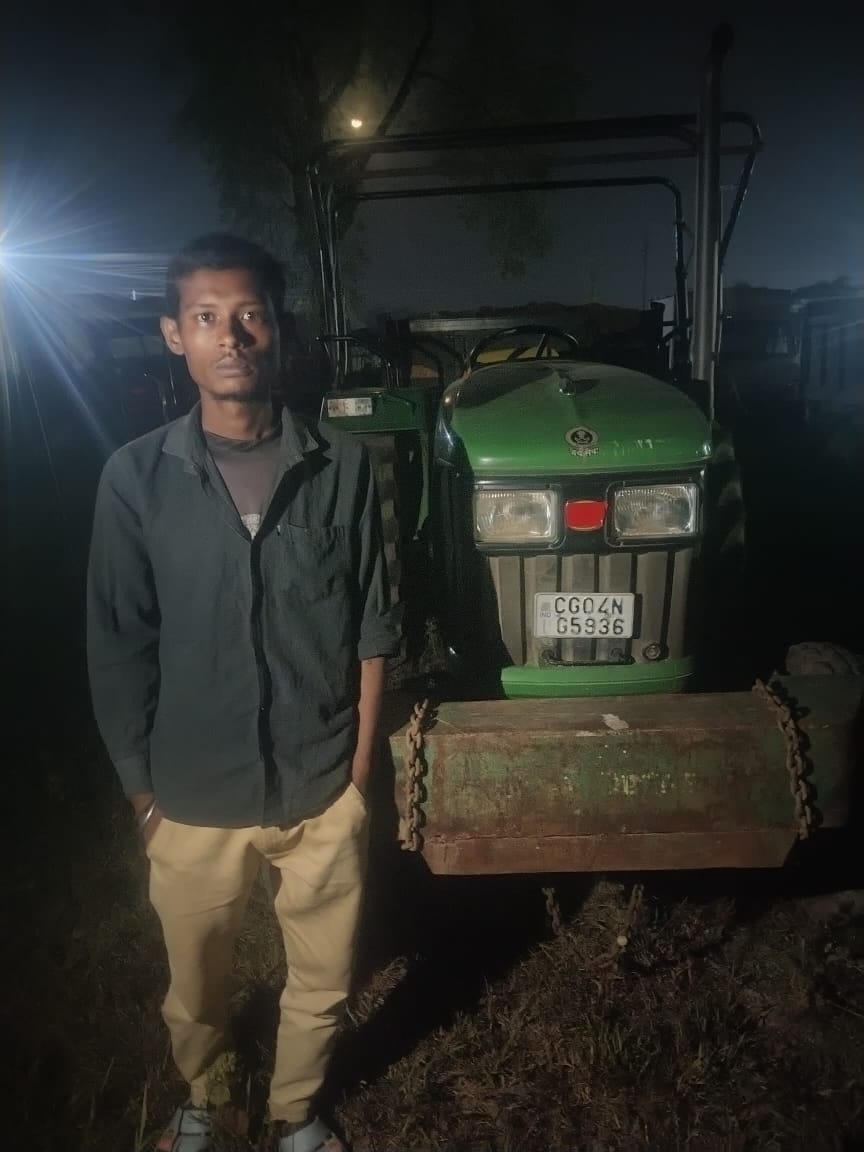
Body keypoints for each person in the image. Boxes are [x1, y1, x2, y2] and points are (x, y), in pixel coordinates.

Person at [87, 233, 400, 1152]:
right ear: (174, 335)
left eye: (251, 315)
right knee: (195, 986)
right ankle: (208, 1096)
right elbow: (116, 644)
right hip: (190, 798)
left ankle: (296, 1111)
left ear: (282, 332)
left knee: (324, 977)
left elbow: (374, 628)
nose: (233, 335)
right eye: (208, 317)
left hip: (318, 787)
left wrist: (357, 773)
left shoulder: (339, 467)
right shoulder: (135, 479)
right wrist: (142, 792)